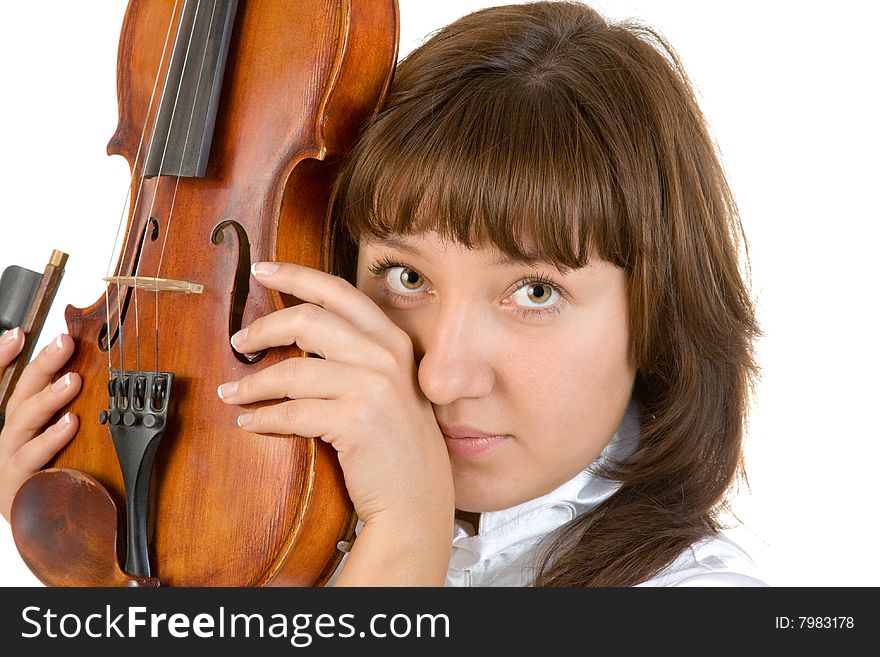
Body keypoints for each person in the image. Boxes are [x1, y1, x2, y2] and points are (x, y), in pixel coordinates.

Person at [0, 1, 767, 586]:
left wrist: (407, 537)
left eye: (535, 290)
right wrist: (103, 573)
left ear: (658, 314)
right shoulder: (259, 536)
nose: (439, 376)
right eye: (406, 277)